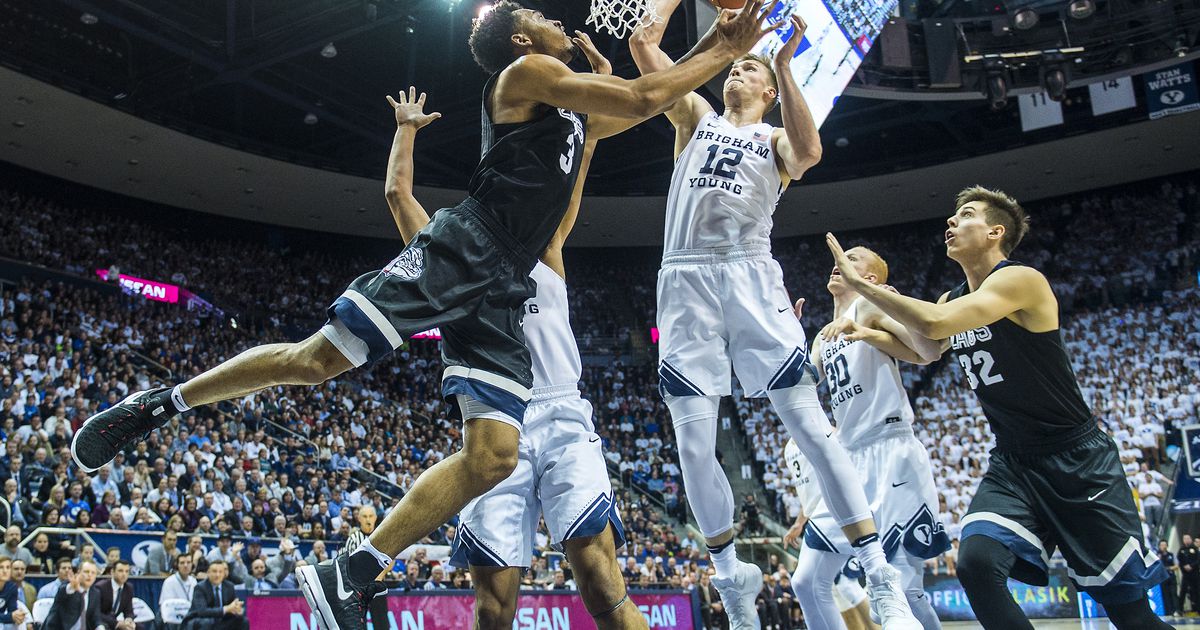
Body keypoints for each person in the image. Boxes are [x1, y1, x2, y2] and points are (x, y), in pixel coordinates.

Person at [73, 4, 775, 630]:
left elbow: (639, 108)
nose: (561, 19)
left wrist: (697, 52)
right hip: (467, 246)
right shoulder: (523, 73)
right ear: (525, 37)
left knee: (493, 457)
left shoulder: (567, 115)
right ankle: (161, 403)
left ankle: (352, 571)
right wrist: (722, 41)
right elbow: (643, 93)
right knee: (318, 361)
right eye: (541, 15)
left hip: (502, 285)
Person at [628, 1, 917, 627]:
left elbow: (809, 152)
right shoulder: (696, 116)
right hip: (683, 280)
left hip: (749, 274)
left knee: (810, 428)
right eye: (736, 69)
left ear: (766, 88)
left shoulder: (775, 136)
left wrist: (783, 63)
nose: (738, 75)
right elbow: (645, 52)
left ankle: (876, 566)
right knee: (693, 442)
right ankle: (732, 579)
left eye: (749, 71)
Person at [823, 186, 1170, 629]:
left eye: (965, 215)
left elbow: (933, 322)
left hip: (1076, 458)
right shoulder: (950, 297)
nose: (951, 221)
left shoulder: (1019, 279)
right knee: (975, 564)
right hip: (1014, 461)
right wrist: (869, 332)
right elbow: (927, 349)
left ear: (994, 232)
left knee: (1130, 614)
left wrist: (861, 289)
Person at [387, 42, 641, 629]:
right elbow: (399, 196)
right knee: (492, 606)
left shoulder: (543, 246)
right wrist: (406, 130)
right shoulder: (447, 264)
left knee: (601, 580)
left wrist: (584, 126)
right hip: (497, 423)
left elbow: (567, 185)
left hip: (562, 417)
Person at [795, 247, 950, 629]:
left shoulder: (869, 306)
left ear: (871, 280)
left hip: (889, 448)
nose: (842, 259)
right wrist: (785, 335)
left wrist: (873, 325)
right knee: (807, 579)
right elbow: (797, 386)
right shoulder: (821, 337)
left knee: (904, 593)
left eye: (855, 257)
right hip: (847, 459)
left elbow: (927, 350)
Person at [782, 441, 876, 630]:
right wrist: (799, 522)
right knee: (831, 588)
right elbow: (808, 494)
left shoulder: (827, 432)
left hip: (837, 513)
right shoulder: (789, 448)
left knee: (838, 584)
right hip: (817, 518)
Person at [184, 560, 248, 630]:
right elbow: (202, 612)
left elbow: (232, 606)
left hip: (220, 620)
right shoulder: (200, 588)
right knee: (207, 622)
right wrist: (226, 609)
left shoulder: (229, 586)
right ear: (208, 573)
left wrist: (237, 609)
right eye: (214, 571)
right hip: (199, 620)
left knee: (243, 621)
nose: (217, 575)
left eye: (220, 572)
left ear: (224, 574)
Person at [42, 560, 102, 630]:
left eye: (93, 573)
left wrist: (100, 627)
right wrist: (72, 587)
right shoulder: (67, 587)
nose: (90, 575)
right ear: (79, 572)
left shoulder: (95, 593)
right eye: (86, 572)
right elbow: (64, 591)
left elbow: (96, 617)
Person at [96, 560, 136, 630]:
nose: (124, 574)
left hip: (116, 621)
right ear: (112, 572)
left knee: (138, 627)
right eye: (121, 571)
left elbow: (129, 611)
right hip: (101, 621)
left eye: (127, 571)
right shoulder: (101, 587)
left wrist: (129, 620)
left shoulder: (129, 588)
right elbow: (96, 612)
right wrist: (116, 623)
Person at [159, 554, 198, 620]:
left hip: (191, 615)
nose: (185, 565)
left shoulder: (193, 581)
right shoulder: (169, 581)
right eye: (182, 563)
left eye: (188, 562)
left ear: (192, 565)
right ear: (177, 566)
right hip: (174, 616)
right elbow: (166, 605)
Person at [0, 558, 27, 630]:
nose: (5, 571)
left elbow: (12, 613)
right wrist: (10, 617)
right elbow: (10, 616)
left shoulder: (12, 587)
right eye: (1, 567)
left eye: (8, 567)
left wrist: (18, 616)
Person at [1179, 534, 1199, 614]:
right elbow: (1179, 561)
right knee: (1183, 591)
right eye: (1185, 538)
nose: (1186, 540)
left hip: (1194, 573)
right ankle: (1180, 609)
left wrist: (1191, 566)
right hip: (1186, 574)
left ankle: (1198, 609)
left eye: (1188, 538)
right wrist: (1184, 567)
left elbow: (1198, 560)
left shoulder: (1195, 549)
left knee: (1196, 591)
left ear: (1191, 539)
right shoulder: (1181, 550)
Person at [1157, 540, 1177, 616]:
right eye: (1161, 545)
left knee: (1173, 593)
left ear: (1167, 546)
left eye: (1164, 545)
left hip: (1171, 576)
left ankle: (1176, 610)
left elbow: (1176, 565)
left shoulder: (1171, 555)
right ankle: (1168, 611)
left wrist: (1169, 568)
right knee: (1165, 594)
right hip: (1162, 577)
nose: (1163, 546)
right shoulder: (1157, 555)